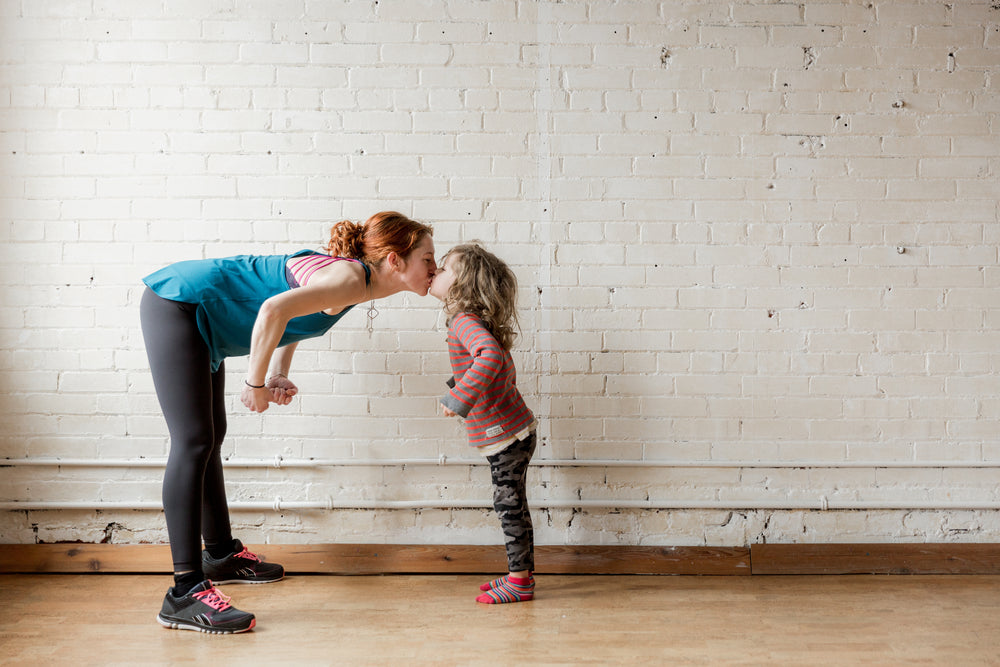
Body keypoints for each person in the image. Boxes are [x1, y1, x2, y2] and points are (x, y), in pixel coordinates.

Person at [140, 211, 436, 633]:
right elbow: (272, 309)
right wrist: (254, 383)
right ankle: (184, 592)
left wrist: (276, 372)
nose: (434, 268)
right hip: (180, 304)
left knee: (208, 438)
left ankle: (220, 554)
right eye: (427, 258)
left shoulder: (354, 281)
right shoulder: (349, 281)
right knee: (192, 440)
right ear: (394, 260)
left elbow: (292, 314)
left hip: (201, 317)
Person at [428, 242, 537, 604]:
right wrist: (458, 386)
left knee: (508, 506)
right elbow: (487, 365)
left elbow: (489, 357)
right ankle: (519, 575)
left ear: (463, 284)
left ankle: (519, 582)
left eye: (444, 269)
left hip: (506, 434)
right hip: (514, 430)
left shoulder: (464, 321)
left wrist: (459, 399)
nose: (436, 272)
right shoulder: (469, 321)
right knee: (514, 504)